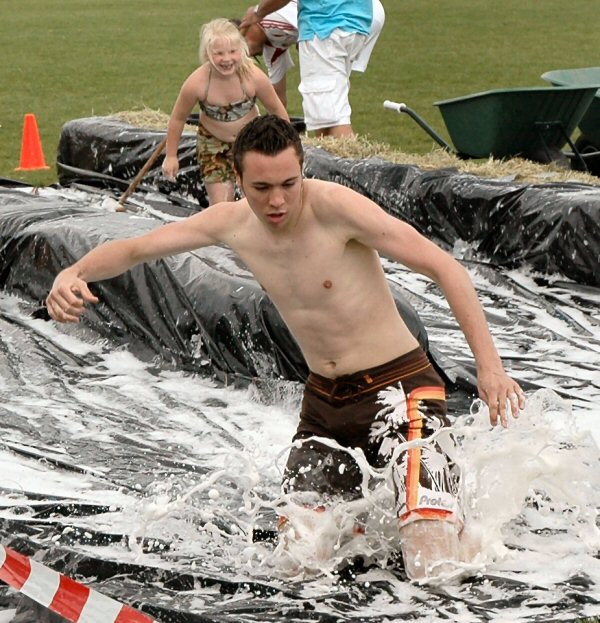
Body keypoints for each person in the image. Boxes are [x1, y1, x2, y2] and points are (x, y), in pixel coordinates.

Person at [46, 115, 525, 580]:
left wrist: (491, 369)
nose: (277, 201)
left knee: (432, 565)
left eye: (288, 184)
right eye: (261, 189)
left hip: (401, 391)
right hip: (325, 406)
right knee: (298, 562)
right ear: (237, 178)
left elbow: (447, 268)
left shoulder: (338, 209)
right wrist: (74, 273)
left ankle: (463, 528)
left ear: (302, 172)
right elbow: (137, 248)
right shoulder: (231, 223)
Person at [162, 18, 289, 206]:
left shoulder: (253, 76)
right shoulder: (197, 83)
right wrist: (171, 156)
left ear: (242, 49)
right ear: (207, 54)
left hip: (251, 141)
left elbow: (277, 110)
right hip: (213, 145)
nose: (227, 59)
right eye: (219, 53)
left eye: (232, 52)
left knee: (255, 199)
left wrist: (288, 147)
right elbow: (178, 119)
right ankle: (226, 232)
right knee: (222, 205)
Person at [241, 0, 386, 138]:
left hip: (327, 25)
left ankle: (348, 161)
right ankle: (330, 161)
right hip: (356, 19)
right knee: (325, 116)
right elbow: (278, 98)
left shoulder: (272, 18)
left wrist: (258, 13)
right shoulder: (271, 47)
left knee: (334, 119)